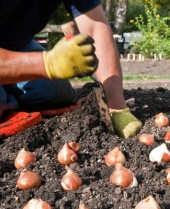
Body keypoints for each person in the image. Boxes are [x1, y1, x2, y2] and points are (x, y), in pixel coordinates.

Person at [0, 0, 142, 138]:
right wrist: (47, 64)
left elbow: (94, 28)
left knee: (55, 91)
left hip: (17, 45)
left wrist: (117, 106)